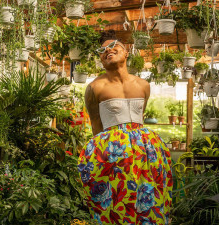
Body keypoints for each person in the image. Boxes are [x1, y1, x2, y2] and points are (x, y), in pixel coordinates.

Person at [77, 38, 173, 225]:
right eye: (102, 49)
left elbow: (140, 118)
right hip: (114, 155)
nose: (108, 50)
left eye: (113, 46)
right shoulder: (95, 88)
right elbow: (96, 127)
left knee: (149, 197)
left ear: (127, 51)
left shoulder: (143, 85)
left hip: (145, 153)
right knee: (117, 201)